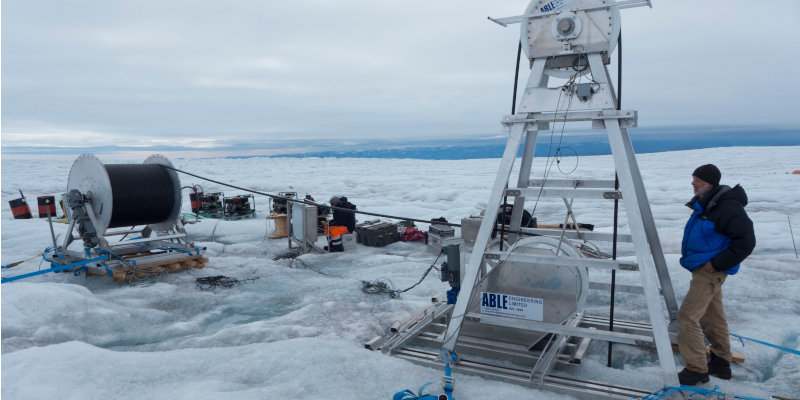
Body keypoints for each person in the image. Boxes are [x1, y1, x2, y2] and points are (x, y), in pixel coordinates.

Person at [677, 164, 756, 386]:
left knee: (687, 317)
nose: (692, 183)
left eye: (697, 180)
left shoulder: (727, 207)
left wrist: (716, 264)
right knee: (711, 316)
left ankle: (696, 370)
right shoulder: (710, 204)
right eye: (693, 179)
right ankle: (721, 362)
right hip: (704, 268)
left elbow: (746, 242)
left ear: (709, 184)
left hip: (710, 271)